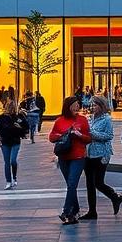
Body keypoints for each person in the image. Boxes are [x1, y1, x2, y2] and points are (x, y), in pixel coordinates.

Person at [49, 96, 92, 224]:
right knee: (70, 185)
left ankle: (66, 211)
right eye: (75, 105)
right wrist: (63, 135)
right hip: (63, 156)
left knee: (72, 183)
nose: (77, 107)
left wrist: (78, 135)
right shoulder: (60, 121)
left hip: (78, 156)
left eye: (78, 104)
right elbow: (52, 137)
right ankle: (75, 210)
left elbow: (88, 138)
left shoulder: (82, 120)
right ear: (68, 106)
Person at [82, 95, 122, 220]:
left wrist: (91, 134)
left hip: (101, 154)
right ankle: (92, 211)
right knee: (89, 183)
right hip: (89, 153)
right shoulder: (90, 118)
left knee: (98, 182)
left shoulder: (106, 119)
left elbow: (109, 136)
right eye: (92, 105)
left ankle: (114, 197)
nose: (93, 107)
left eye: (95, 105)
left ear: (101, 105)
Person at [0, 96, 29, 189]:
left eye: (13, 107)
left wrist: (18, 127)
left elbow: (25, 127)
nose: (11, 109)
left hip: (15, 141)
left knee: (13, 160)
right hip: (5, 141)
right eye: (10, 107)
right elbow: (1, 129)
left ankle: (14, 177)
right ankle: (8, 181)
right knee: (7, 162)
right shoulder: (2, 117)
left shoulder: (19, 117)